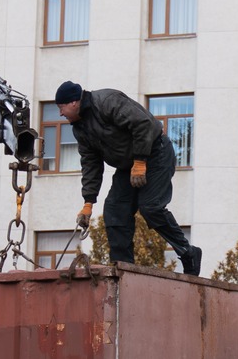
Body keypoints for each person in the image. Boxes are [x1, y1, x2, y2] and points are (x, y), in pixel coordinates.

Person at [58, 81, 201, 277]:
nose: (60, 113)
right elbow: (91, 164)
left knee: (150, 207)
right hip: (127, 166)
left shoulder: (107, 101)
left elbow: (143, 124)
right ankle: (124, 269)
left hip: (155, 153)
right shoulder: (80, 129)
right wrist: (88, 202)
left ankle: (187, 252)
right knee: (114, 210)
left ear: (74, 102)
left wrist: (140, 161)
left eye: (61, 107)